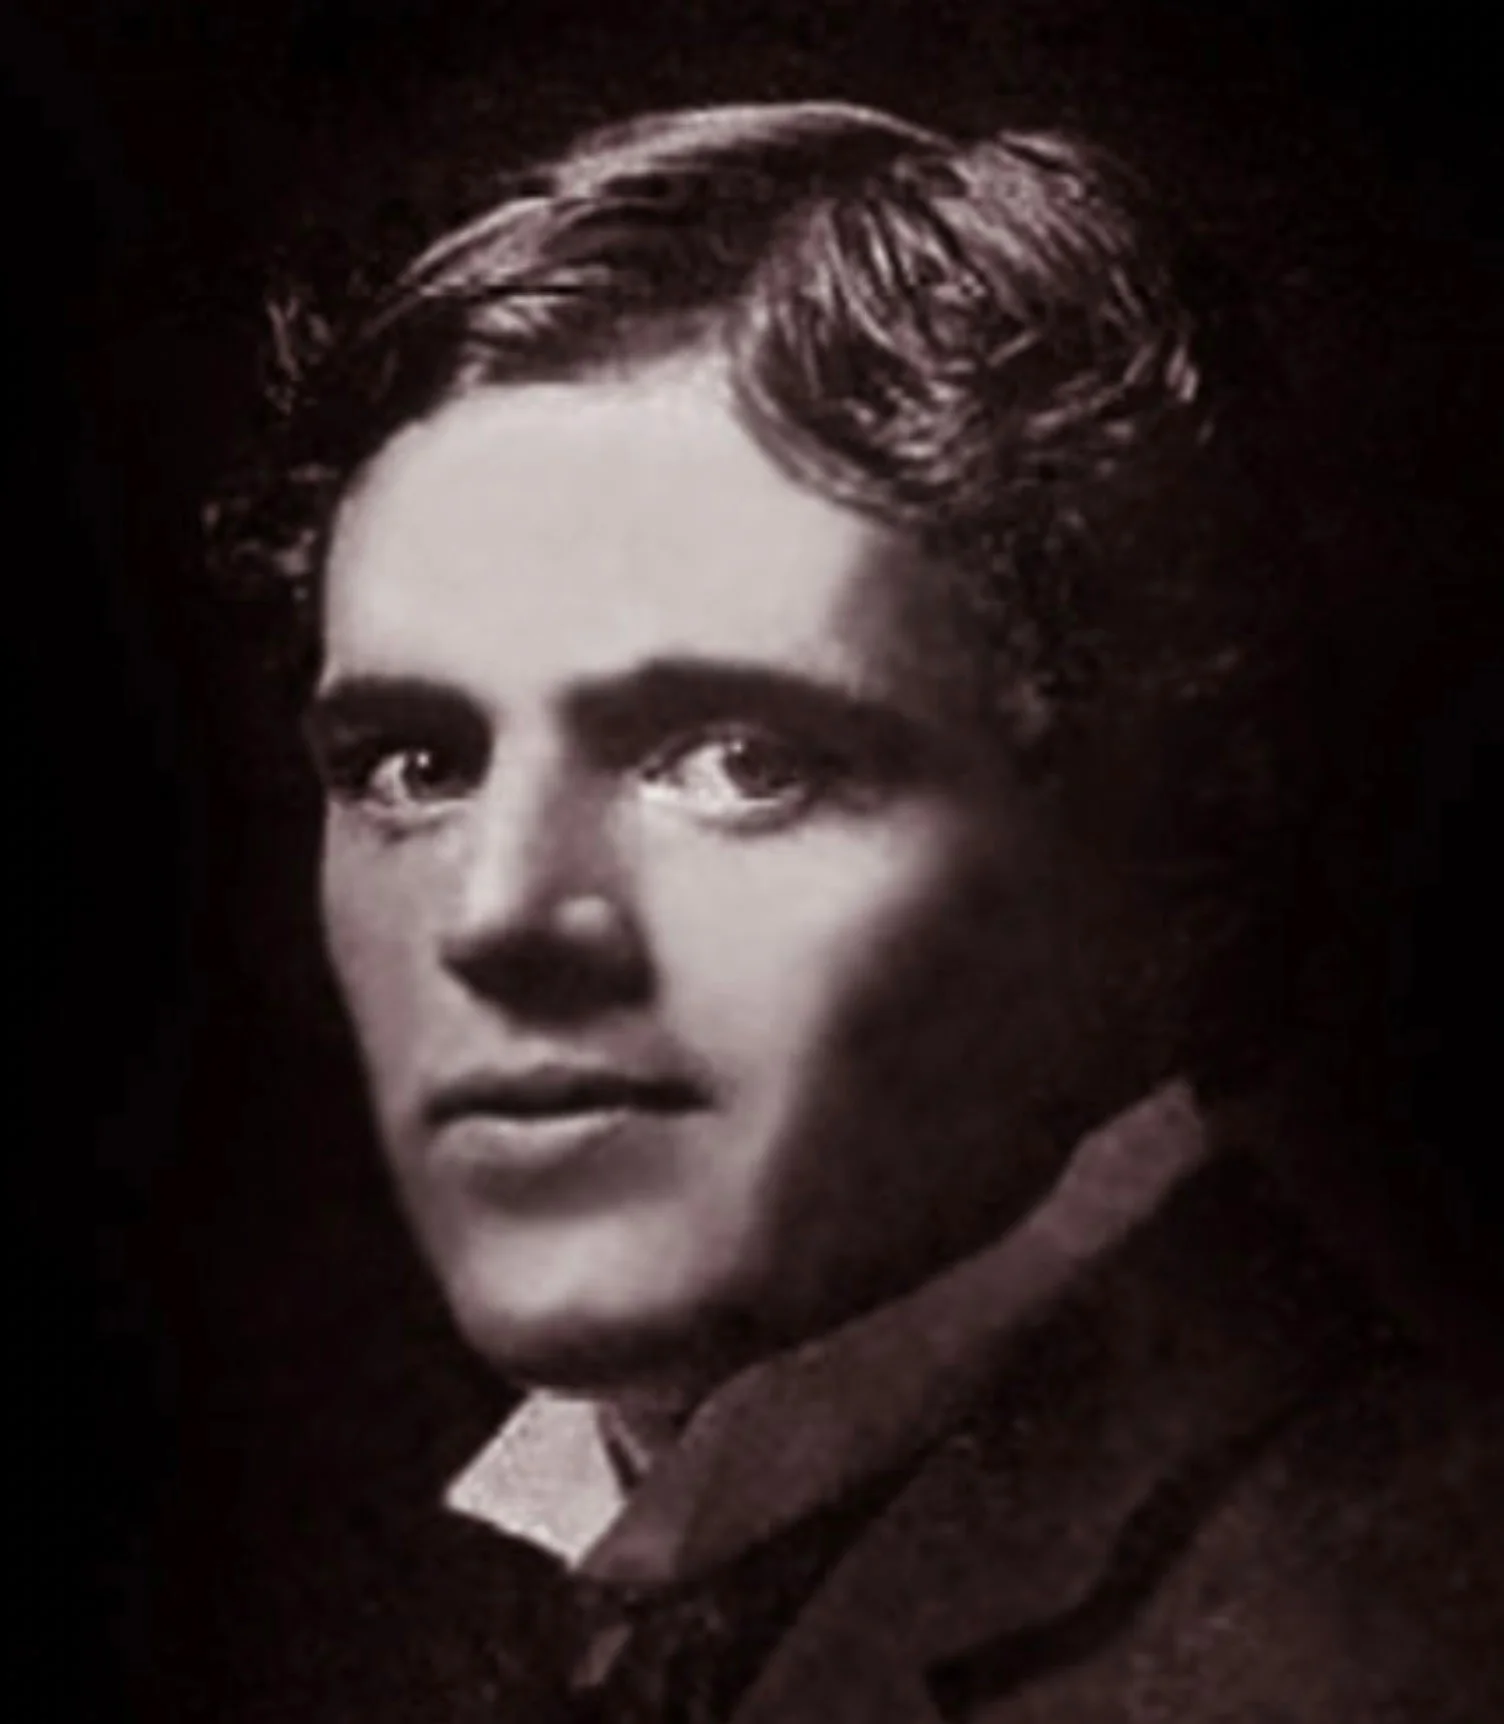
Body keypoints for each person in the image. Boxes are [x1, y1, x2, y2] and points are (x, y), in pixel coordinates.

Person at [210, 101, 1503, 1722]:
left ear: (1170, 851)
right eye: (412, 766)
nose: (497, 914)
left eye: (741, 762)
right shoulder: (480, 1595)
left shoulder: (1405, 1640)